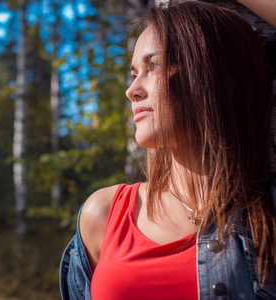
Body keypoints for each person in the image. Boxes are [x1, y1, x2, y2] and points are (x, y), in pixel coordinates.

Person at [59, 2, 276, 299]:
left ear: (213, 73)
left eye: (154, 66)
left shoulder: (267, 217)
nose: (132, 90)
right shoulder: (103, 214)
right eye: (134, 72)